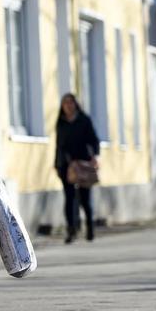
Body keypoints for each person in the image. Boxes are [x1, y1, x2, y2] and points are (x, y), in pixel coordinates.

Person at [54, 93, 100, 244]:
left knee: (85, 199)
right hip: (66, 166)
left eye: (71, 102)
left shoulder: (84, 120)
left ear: (75, 104)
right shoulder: (60, 122)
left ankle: (90, 228)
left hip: (83, 165)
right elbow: (58, 145)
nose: (68, 105)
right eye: (65, 103)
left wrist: (94, 156)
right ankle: (71, 231)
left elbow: (94, 140)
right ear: (62, 106)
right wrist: (57, 164)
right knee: (69, 199)